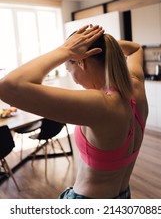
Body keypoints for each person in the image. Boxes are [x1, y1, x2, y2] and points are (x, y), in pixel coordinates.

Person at [0, 24, 148, 199]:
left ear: (80, 61)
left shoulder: (101, 105)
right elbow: (136, 48)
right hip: (122, 195)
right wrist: (107, 46)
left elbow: (8, 87)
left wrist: (65, 50)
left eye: (69, 70)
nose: (74, 80)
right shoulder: (135, 86)